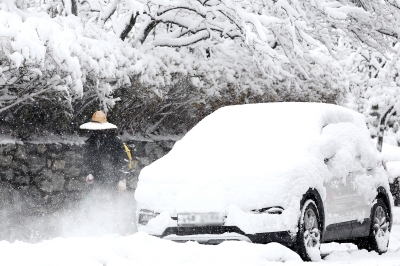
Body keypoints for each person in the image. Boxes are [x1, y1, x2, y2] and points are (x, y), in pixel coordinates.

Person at [80, 111, 130, 192]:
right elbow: (87, 160)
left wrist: (122, 179)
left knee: (112, 203)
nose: (96, 131)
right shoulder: (90, 142)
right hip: (95, 183)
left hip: (113, 181)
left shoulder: (115, 141)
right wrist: (88, 173)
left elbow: (123, 160)